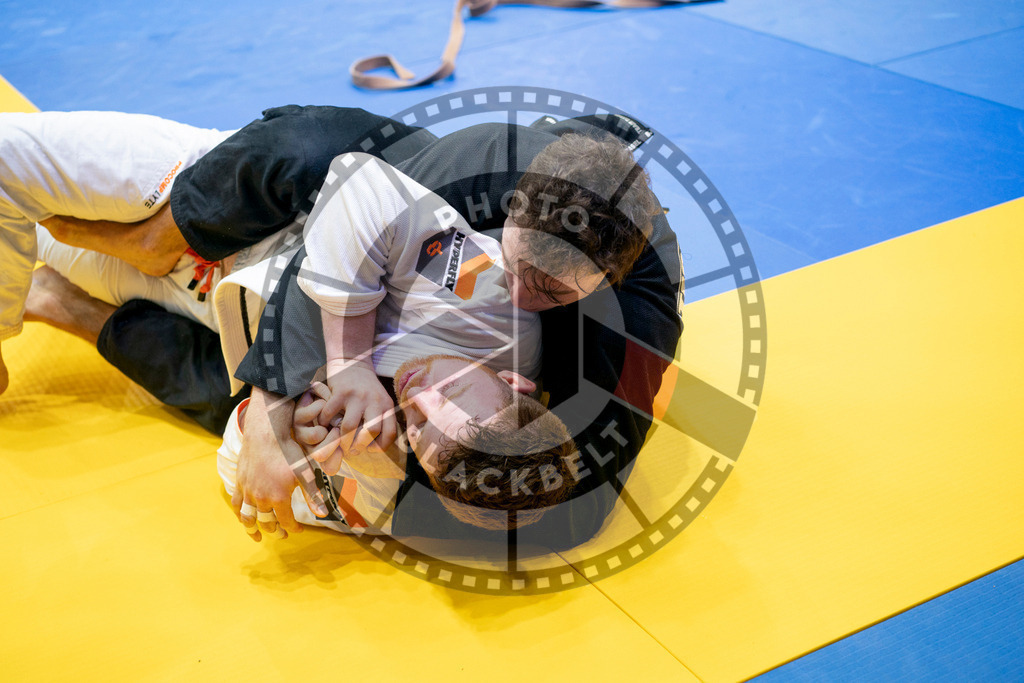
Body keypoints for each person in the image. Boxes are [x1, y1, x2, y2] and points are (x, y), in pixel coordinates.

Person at [14, 105, 684, 547]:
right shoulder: (475, 205)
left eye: (553, 290)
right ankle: (165, 231)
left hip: (214, 307)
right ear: (510, 209)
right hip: (248, 218)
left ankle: (57, 303)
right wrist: (314, 382)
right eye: (518, 269)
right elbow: (347, 180)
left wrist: (371, 477)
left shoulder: (627, 314)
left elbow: (571, 500)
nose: (524, 296)